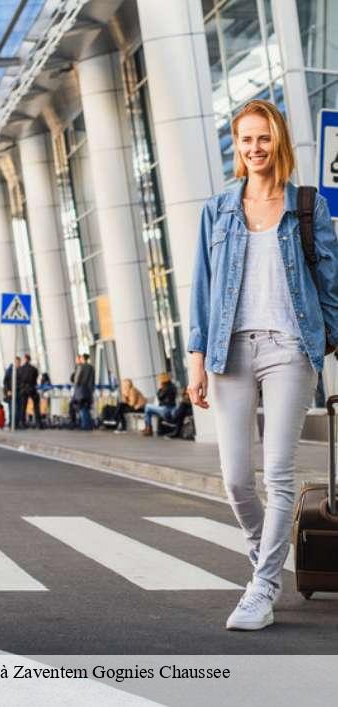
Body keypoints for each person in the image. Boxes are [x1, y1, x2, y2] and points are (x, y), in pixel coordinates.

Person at [188, 99, 338, 631]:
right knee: (234, 479)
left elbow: (330, 284)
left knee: (278, 473)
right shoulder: (218, 208)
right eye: (245, 139)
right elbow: (203, 288)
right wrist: (197, 361)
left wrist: (324, 342)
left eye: (263, 138)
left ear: (279, 142)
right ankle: (264, 561)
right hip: (231, 350)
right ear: (237, 146)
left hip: (289, 350)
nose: (254, 148)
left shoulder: (307, 205)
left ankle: (263, 588)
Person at [19, 354, 42, 429]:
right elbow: (36, 377)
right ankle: (38, 422)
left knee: (23, 406)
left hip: (24, 389)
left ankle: (22, 422)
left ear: (25, 359)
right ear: (29, 359)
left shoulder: (20, 369)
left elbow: (19, 379)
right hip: (32, 388)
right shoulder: (34, 369)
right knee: (36, 405)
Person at [74, 353, 95, 430]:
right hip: (89, 389)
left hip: (82, 389)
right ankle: (89, 424)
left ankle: (85, 425)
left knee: (82, 407)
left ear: (83, 359)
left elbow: (77, 379)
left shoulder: (81, 367)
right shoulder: (91, 367)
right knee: (86, 407)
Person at [3, 356, 22, 428]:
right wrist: (8, 390)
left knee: (18, 409)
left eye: (19, 363)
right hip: (11, 392)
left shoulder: (19, 369)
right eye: (18, 363)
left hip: (18, 392)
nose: (19, 364)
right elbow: (5, 382)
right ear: (15, 362)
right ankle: (12, 424)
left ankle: (16, 424)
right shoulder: (10, 370)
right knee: (12, 408)